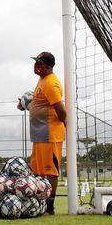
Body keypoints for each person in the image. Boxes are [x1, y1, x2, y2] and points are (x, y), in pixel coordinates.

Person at [19, 50, 67, 215]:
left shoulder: (51, 83)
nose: (36, 66)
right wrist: (25, 105)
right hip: (39, 135)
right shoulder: (42, 80)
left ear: (48, 67)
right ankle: (39, 204)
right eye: (36, 62)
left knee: (50, 172)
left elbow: (61, 110)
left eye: (39, 64)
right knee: (38, 171)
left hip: (50, 134)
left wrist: (64, 124)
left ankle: (50, 206)